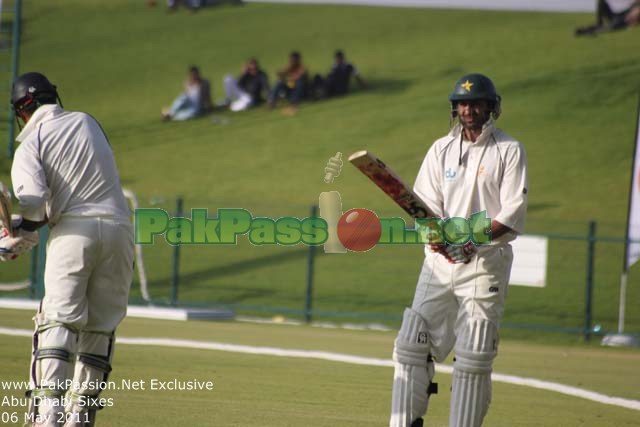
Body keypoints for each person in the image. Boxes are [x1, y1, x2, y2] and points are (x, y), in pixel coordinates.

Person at [389, 74, 528, 427]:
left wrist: (468, 240)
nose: (468, 109)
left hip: (484, 263)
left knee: (473, 353)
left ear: (491, 107)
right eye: (463, 103)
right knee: (411, 344)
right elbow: (424, 206)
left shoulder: (508, 150)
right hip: (439, 263)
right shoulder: (441, 149)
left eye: (476, 103)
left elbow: (510, 215)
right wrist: (435, 236)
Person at [8, 72, 134, 427]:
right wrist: (27, 228)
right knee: (99, 328)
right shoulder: (88, 122)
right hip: (120, 230)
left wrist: (20, 230)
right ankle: (81, 416)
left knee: (58, 323)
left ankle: (48, 415)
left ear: (22, 111)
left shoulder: (31, 142)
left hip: (74, 234)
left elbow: (33, 201)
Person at [575, 0, 640, 36]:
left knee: (607, 28)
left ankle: (585, 32)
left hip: (623, 22)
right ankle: (598, 24)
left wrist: (633, 20)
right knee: (601, 2)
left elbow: (634, 20)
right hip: (617, 16)